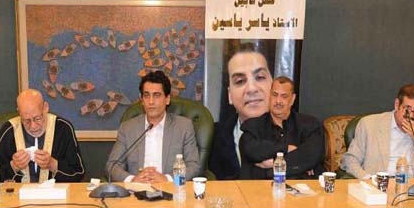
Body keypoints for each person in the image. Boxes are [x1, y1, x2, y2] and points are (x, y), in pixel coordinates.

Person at [106, 71, 199, 183]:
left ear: (167, 99)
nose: (151, 101)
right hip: (137, 190)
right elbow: (112, 165)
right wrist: (132, 179)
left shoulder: (184, 127)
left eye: (156, 95)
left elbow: (193, 166)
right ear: (141, 99)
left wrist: (167, 179)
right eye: (146, 95)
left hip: (169, 189)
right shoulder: (127, 128)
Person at [340, 84, 414, 179]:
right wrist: (367, 179)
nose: (411, 115)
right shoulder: (369, 125)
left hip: (412, 186)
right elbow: (349, 160)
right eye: (407, 108)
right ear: (397, 104)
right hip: (377, 184)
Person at [239, 76, 324, 179]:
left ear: (292, 99)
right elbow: (250, 150)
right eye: (275, 95)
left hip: (302, 186)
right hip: (262, 186)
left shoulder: (310, 124)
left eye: (284, 96)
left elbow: (312, 155)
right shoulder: (253, 126)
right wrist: (287, 149)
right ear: (269, 96)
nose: (278, 101)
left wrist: (274, 164)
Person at [0, 89, 85, 183]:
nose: (33, 126)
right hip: (18, 191)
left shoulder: (63, 128)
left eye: (37, 118)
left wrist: (52, 164)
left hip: (53, 191)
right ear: (19, 112)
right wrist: (14, 166)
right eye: (26, 121)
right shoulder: (9, 130)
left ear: (45, 108)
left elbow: (78, 174)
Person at [209, 48, 273, 180]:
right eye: (240, 81)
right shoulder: (211, 137)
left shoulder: (301, 132)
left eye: (260, 77)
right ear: (229, 95)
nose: (251, 89)